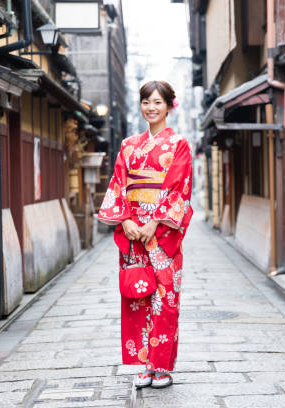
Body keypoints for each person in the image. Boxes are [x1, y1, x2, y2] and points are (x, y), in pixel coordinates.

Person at [97, 80, 193, 389]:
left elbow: (178, 189)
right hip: (133, 233)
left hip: (162, 234)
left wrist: (155, 224)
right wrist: (125, 220)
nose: (151, 108)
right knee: (137, 296)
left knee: (165, 299)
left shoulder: (179, 145)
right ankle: (143, 365)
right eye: (146, 102)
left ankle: (161, 367)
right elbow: (118, 185)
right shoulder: (128, 145)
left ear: (169, 106)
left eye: (157, 102)